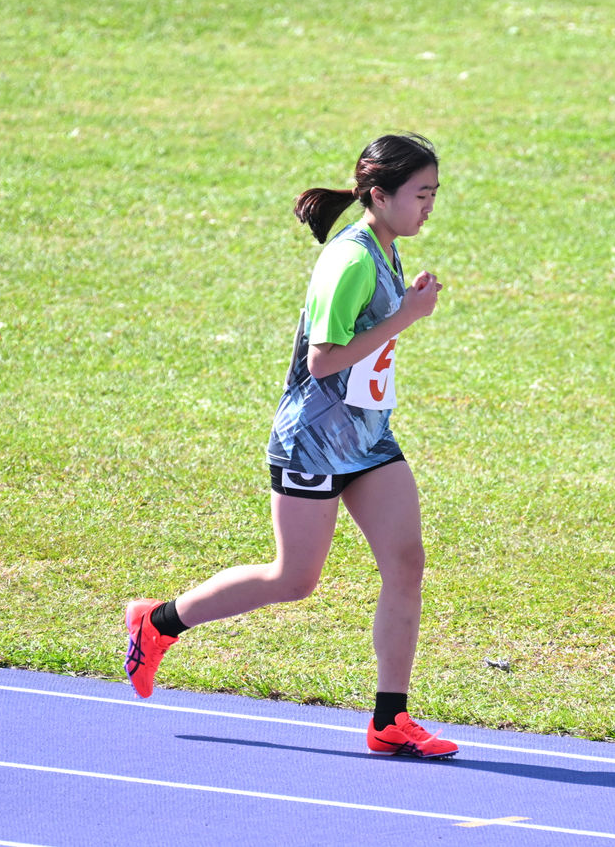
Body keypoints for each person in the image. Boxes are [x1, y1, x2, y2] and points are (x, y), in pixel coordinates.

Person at [124, 133, 456, 759]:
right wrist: (406, 317)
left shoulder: (386, 249)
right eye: (420, 194)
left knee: (406, 563)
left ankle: (390, 718)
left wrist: (403, 309)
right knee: (294, 578)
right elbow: (323, 360)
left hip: (367, 438)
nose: (429, 206)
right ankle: (158, 621)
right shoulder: (350, 259)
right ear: (379, 196)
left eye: (434, 193)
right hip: (312, 443)